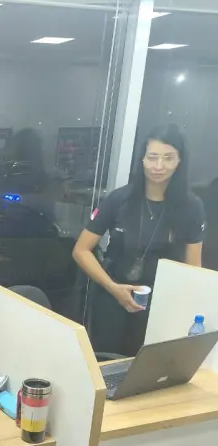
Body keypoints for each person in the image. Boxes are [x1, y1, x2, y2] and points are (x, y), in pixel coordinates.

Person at [73, 124, 205, 356]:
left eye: (168, 158)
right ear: (142, 159)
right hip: (113, 296)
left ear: (179, 161)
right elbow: (81, 250)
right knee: (106, 364)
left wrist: (186, 308)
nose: (159, 166)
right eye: (152, 157)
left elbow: (193, 268)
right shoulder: (119, 199)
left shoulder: (191, 207)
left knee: (150, 367)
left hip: (162, 304)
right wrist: (112, 287)